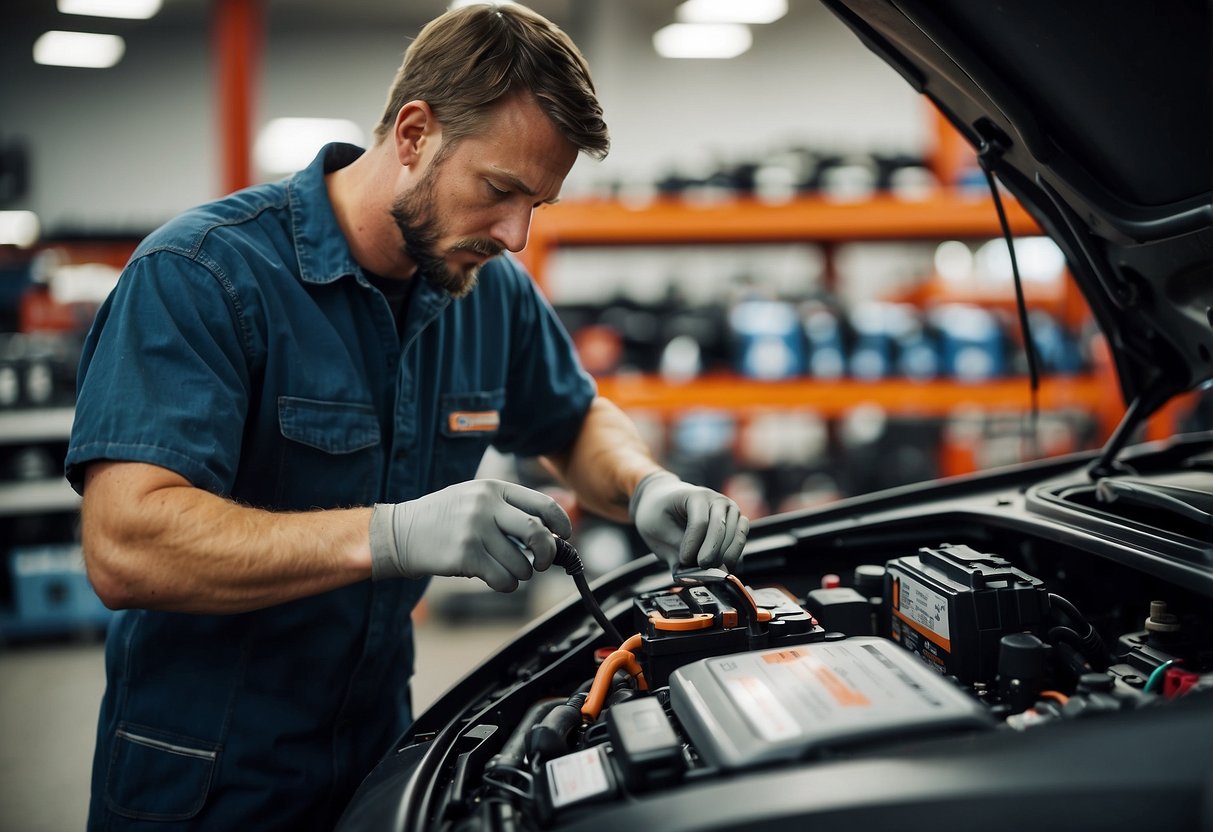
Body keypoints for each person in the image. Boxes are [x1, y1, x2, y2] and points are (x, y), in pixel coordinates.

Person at [66, 4, 749, 830]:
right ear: (416, 133)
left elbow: (572, 419)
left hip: (382, 760)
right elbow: (126, 546)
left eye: (539, 203)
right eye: (499, 190)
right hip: (207, 783)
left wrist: (644, 484)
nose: (517, 235)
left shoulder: (486, 290)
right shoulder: (202, 276)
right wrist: (389, 536)